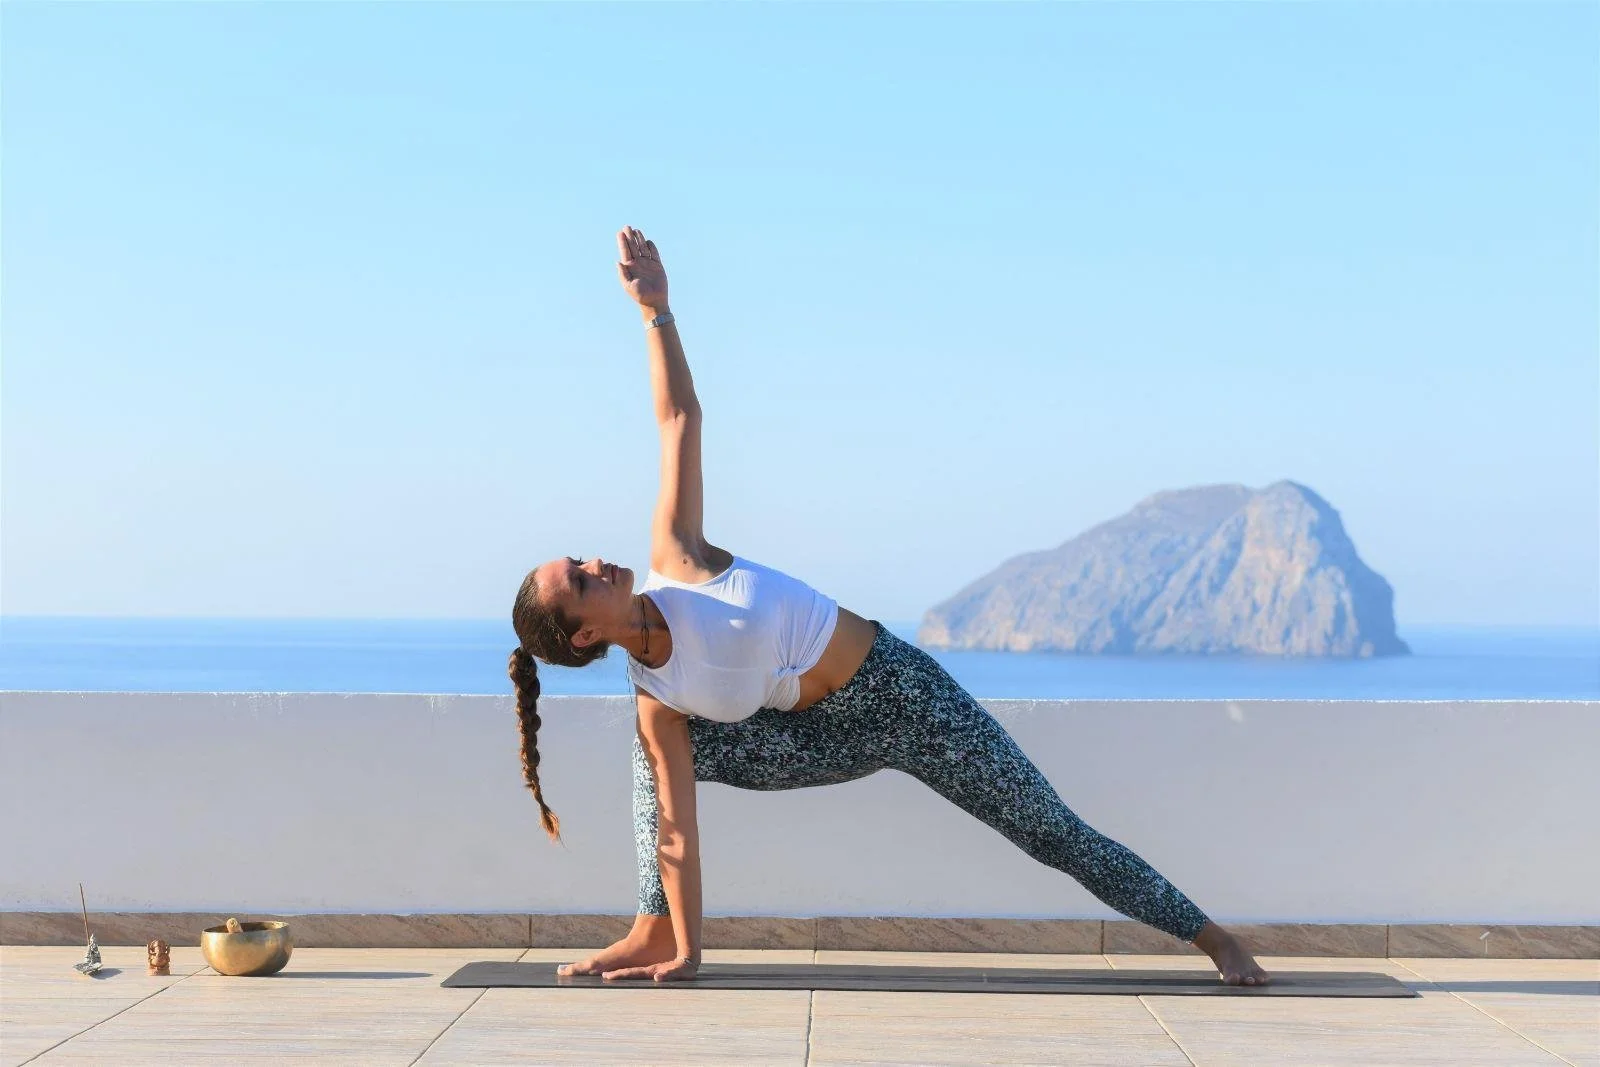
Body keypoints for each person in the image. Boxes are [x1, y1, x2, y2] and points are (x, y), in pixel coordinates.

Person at [508, 227, 1269, 987]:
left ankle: (1211, 936)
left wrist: (657, 313)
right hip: (811, 739)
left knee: (1047, 829)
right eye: (579, 579)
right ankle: (656, 932)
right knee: (658, 766)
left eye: (578, 559)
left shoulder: (676, 555)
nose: (594, 562)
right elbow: (676, 835)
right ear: (582, 634)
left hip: (901, 695)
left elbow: (679, 420)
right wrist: (692, 952)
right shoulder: (658, 701)